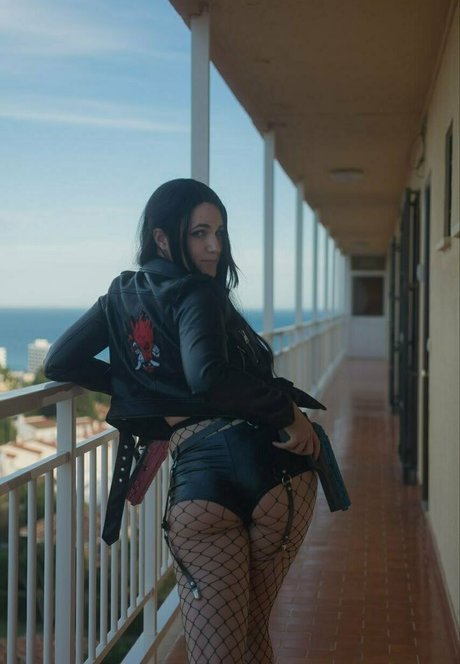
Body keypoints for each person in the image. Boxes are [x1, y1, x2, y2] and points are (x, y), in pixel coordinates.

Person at [44, 178, 325, 664]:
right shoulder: (199, 292)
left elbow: (60, 361)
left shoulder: (120, 294)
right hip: (278, 473)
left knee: (225, 648)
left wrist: (143, 389)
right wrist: (289, 413)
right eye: (199, 233)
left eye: (219, 232)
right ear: (161, 238)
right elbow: (208, 376)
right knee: (251, 632)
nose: (215, 245)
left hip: (200, 483)